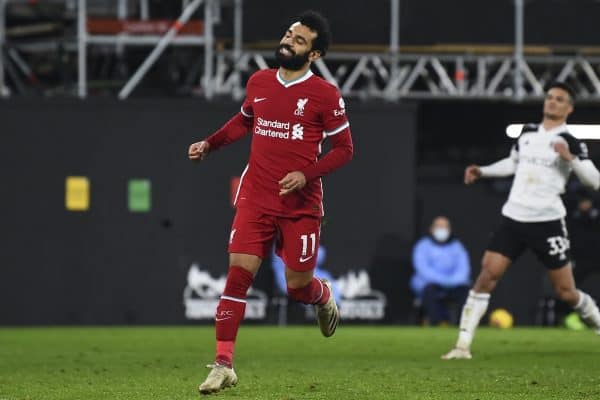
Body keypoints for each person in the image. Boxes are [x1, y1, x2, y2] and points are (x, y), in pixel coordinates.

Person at [188, 11, 353, 393]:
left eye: (298, 40)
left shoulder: (325, 95)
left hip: (301, 205)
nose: (288, 41)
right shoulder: (259, 81)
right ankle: (223, 363)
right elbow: (243, 120)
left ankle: (322, 296)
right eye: (288, 34)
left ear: (314, 55)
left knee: (297, 287)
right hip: (256, 196)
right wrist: (210, 144)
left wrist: (306, 174)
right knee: (237, 276)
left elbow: (345, 150)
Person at [442, 81, 600, 360]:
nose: (552, 102)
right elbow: (513, 164)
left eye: (559, 99)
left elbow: (595, 182)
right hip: (514, 217)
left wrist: (571, 158)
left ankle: (597, 321)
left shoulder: (572, 142)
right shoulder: (527, 133)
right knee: (486, 275)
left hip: (548, 221)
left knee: (566, 292)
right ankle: (462, 346)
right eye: (550, 97)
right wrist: (484, 171)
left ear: (569, 108)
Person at [411, 216, 470, 325]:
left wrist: (451, 282)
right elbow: (422, 269)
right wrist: (443, 281)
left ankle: (462, 324)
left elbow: (463, 270)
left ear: (450, 229)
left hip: (454, 284)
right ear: (431, 229)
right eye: (438, 226)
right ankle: (438, 323)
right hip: (430, 284)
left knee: (465, 292)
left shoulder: (457, 247)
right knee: (430, 292)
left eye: (445, 227)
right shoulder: (422, 246)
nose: (442, 229)